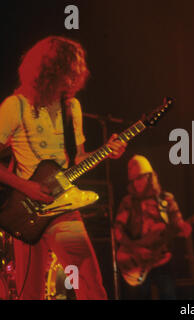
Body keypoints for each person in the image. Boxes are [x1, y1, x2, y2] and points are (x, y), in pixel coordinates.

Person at [0, 36, 127, 299]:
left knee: (90, 285)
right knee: (30, 292)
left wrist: (107, 151)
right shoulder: (15, 106)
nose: (71, 80)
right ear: (47, 71)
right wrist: (28, 187)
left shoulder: (73, 107)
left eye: (75, 74)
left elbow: (78, 158)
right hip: (26, 212)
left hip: (65, 210)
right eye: (65, 73)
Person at [114, 155, 191, 299]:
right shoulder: (128, 202)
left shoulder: (167, 199)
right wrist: (135, 248)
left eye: (140, 178)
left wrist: (183, 230)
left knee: (168, 293)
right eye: (133, 180)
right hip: (136, 262)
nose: (136, 183)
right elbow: (117, 231)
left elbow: (177, 225)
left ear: (150, 177)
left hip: (162, 259)